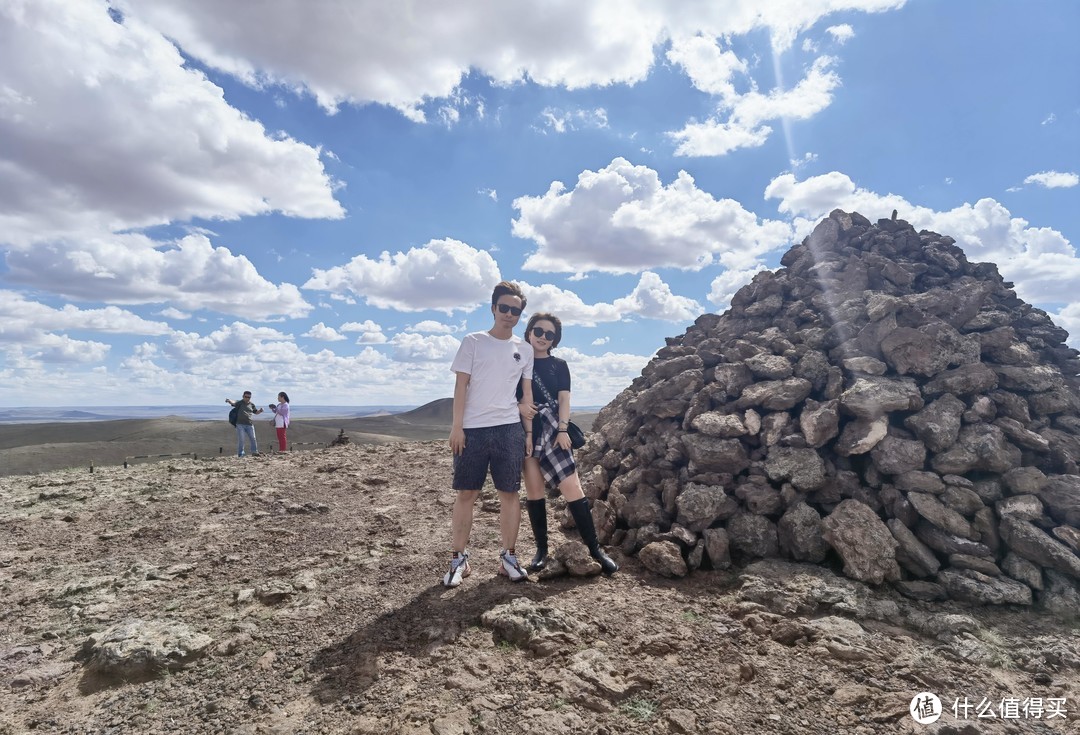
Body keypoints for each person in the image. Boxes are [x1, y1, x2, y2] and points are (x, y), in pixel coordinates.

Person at [443, 281, 535, 588]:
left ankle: (508, 557)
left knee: (509, 493)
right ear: (493, 308)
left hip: (509, 429)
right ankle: (459, 559)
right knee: (467, 493)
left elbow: (526, 394)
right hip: (473, 429)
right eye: (505, 308)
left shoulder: (525, 350)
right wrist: (457, 427)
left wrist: (528, 431)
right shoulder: (473, 341)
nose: (510, 315)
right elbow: (461, 386)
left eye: (516, 311)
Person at [519, 313, 618, 575]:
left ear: (555, 340)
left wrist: (563, 429)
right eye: (538, 331)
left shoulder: (559, 365)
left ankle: (595, 549)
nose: (542, 337)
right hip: (527, 430)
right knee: (534, 491)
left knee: (573, 488)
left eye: (549, 334)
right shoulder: (517, 363)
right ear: (529, 332)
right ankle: (541, 550)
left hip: (555, 431)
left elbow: (564, 400)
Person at [225, 391, 263, 457]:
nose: (247, 398)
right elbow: (233, 402)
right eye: (246, 397)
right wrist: (228, 400)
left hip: (249, 424)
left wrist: (260, 411)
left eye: (249, 397)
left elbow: (255, 412)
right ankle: (241, 453)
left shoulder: (251, 404)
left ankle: (254, 452)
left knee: (253, 438)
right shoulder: (240, 403)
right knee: (241, 439)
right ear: (243, 396)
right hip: (240, 424)